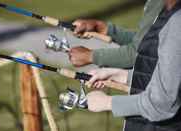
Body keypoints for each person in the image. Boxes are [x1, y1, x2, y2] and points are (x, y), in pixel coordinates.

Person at [69, 0, 181, 131]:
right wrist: (122, 76)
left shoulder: (177, 21)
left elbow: (161, 104)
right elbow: (165, 67)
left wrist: (107, 102)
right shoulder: (169, 11)